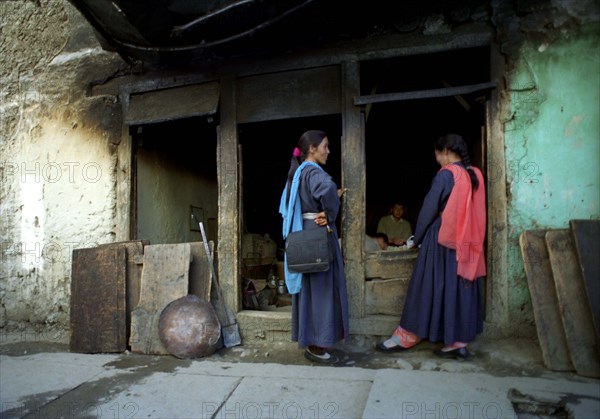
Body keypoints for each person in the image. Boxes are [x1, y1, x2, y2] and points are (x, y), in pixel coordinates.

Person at [375, 133, 486, 360]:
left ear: (445, 151)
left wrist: (416, 238)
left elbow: (428, 210)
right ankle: (458, 341)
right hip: (467, 239)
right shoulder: (473, 174)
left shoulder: (447, 175)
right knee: (459, 286)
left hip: (442, 238)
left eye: (436, 154)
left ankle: (407, 335)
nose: (436, 158)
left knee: (425, 284)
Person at [279, 130, 349, 364]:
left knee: (309, 290)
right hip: (319, 235)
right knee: (322, 290)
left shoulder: (299, 173)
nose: (328, 151)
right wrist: (330, 212)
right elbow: (326, 188)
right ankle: (319, 345)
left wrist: (332, 198)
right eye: (325, 146)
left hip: (305, 234)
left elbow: (316, 194)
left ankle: (310, 341)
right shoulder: (313, 172)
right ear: (312, 149)